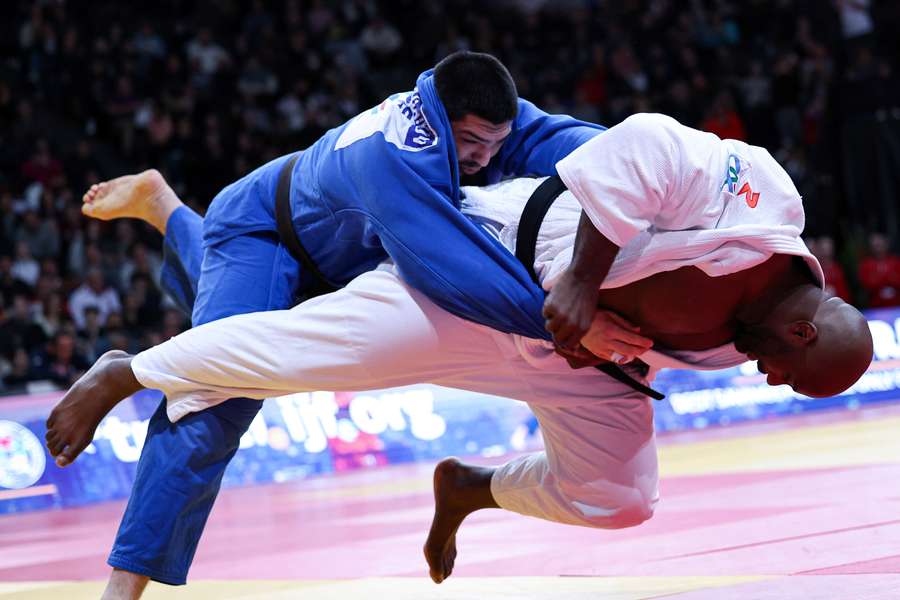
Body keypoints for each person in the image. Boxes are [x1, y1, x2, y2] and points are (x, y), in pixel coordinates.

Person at [47, 113, 873, 588]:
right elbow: (648, 142)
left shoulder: (768, 332)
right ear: (803, 327)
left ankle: (472, 488)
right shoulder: (764, 196)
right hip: (484, 281)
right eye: (784, 369)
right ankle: (130, 370)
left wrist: (601, 343)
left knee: (621, 499)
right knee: (309, 352)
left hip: (588, 365)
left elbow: (664, 342)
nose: (767, 375)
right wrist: (582, 284)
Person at [68, 50, 604, 597]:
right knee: (216, 392)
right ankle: (122, 585)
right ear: (441, 116)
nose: (485, 158)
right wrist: (563, 325)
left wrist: (672, 174)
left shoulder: (488, 116)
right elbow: (460, 272)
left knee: (224, 331)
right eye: (471, 144)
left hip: (342, 250)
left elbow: (588, 147)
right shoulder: (395, 160)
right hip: (265, 232)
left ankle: (169, 211)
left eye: (496, 144)